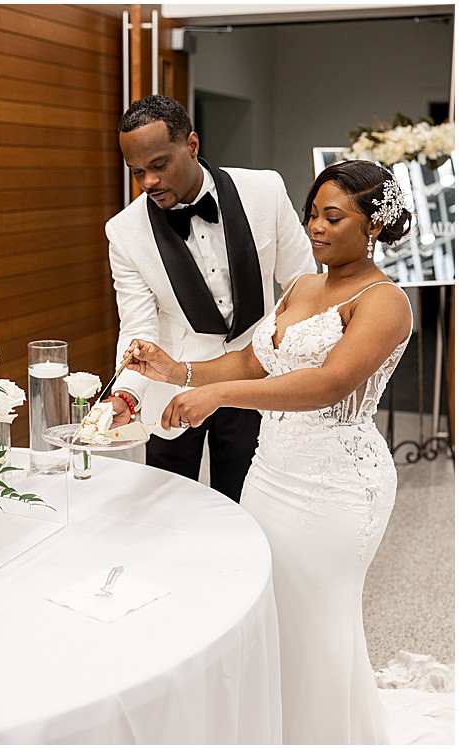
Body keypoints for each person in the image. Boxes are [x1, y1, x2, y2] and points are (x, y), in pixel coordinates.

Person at [124, 159, 413, 743]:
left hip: (337, 486)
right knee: (269, 614)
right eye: (312, 214)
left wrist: (220, 396)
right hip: (270, 472)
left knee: (316, 621)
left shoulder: (385, 301)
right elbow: (255, 361)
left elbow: (329, 384)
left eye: (333, 217)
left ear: (374, 226)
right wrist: (177, 370)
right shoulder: (303, 286)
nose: (316, 228)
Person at [105, 94, 316, 501]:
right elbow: (137, 326)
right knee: (167, 505)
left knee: (247, 502)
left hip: (256, 377)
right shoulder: (124, 232)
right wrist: (127, 393)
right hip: (172, 386)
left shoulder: (265, 190)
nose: (149, 182)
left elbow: (302, 285)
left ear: (191, 145)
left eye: (159, 165)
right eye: (137, 172)